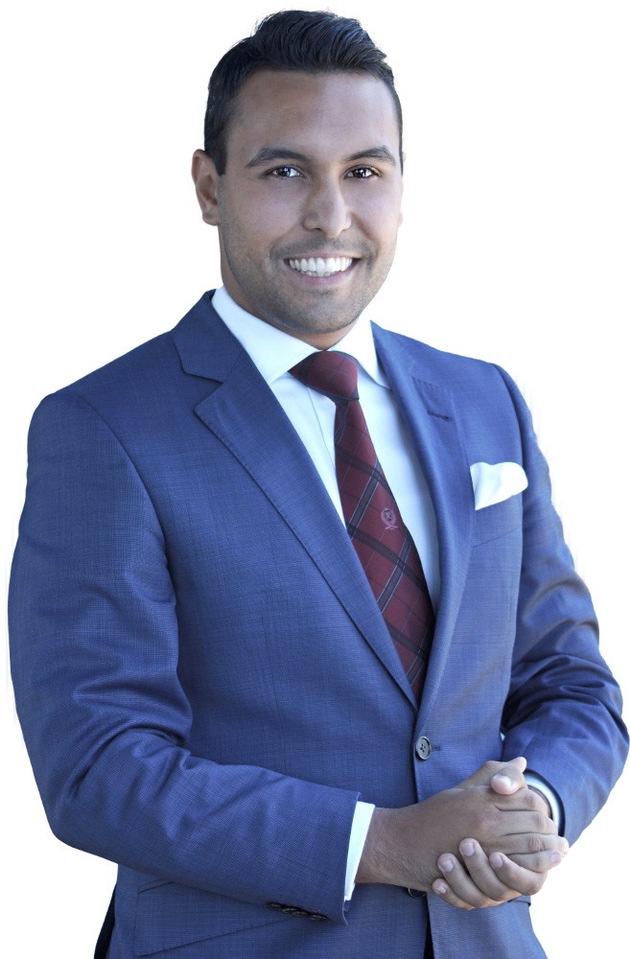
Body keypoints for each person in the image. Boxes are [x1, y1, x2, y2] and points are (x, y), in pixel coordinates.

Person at [8, 10, 627, 959]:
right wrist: (381, 842)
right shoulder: (104, 428)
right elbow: (98, 764)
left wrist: (533, 803)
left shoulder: (485, 400)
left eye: (364, 172)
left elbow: (572, 683)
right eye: (285, 171)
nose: (331, 216)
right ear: (209, 187)